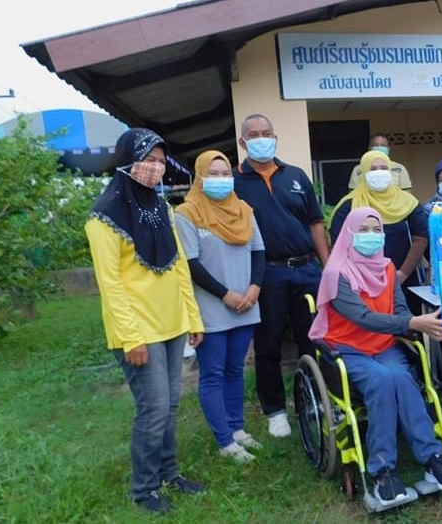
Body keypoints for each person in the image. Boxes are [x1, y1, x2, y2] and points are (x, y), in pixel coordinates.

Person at [309, 206, 442, 506]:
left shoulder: (387, 268)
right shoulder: (336, 273)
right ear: (349, 234)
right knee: (381, 380)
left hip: (383, 344)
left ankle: (432, 457)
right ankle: (383, 471)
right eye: (363, 230)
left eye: (376, 230)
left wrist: (428, 328)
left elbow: (400, 310)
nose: (371, 236)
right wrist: (412, 324)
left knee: (403, 377)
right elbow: (363, 317)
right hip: (347, 347)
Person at [85, 128, 206, 514]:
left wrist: (193, 318)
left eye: (160, 161)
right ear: (126, 161)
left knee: (169, 405)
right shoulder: (104, 217)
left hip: (172, 323)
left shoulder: (161, 207)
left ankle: (169, 473)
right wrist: (130, 337)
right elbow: (110, 284)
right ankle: (143, 489)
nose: (155, 168)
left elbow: (179, 267)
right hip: (139, 330)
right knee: (153, 408)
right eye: (147, 160)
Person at [232, 114, 330, 438]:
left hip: (307, 270)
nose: (261, 138)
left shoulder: (296, 175)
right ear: (243, 142)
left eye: (266, 133)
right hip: (267, 274)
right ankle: (275, 411)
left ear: (275, 137)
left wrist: (327, 267)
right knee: (268, 344)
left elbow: (315, 222)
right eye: (253, 135)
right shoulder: (234, 182)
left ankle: (313, 400)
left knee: (313, 339)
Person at [175, 150, 265, 463]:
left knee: (235, 370)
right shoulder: (187, 213)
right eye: (212, 174)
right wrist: (225, 294)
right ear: (200, 177)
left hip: (246, 303)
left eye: (225, 173)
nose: (220, 179)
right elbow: (190, 263)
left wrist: (254, 287)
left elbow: (258, 251)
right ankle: (224, 441)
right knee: (213, 373)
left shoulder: (244, 210)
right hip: (212, 306)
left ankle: (237, 429)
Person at [330, 150, 427, 315]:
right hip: (360, 281)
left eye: (383, 168)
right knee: (369, 322)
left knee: (407, 322)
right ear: (364, 173)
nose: (379, 173)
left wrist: (402, 274)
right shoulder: (349, 204)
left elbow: (421, 238)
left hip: (403, 278)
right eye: (373, 169)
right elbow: (339, 243)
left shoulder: (409, 203)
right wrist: (355, 276)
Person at [347, 133, 413, 191]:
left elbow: (406, 192)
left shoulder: (399, 168)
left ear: (388, 149)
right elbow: (353, 192)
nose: (379, 147)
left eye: (383, 145)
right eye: (375, 145)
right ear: (369, 149)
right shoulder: (358, 169)